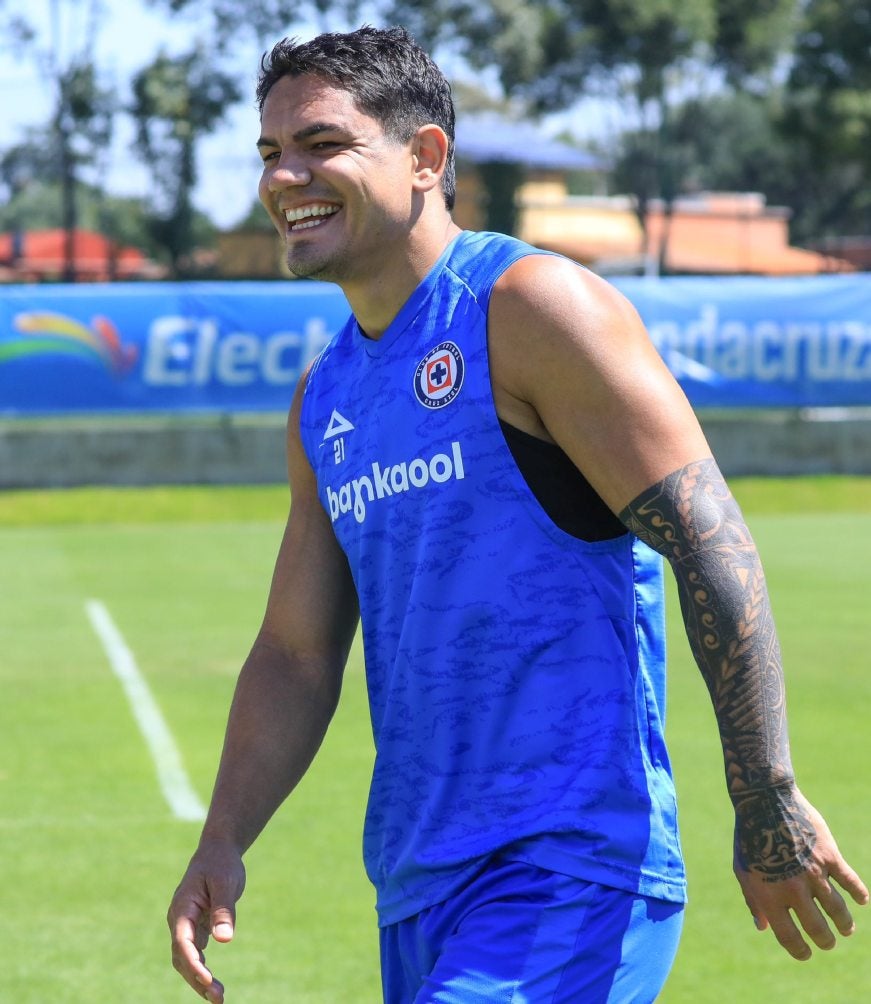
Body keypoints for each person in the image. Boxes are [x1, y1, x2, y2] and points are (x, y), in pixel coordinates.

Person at [168, 25, 868, 1004]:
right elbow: (295, 650)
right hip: (416, 883)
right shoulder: (323, 398)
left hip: (570, 870)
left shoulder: (529, 308)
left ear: (424, 158)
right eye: (270, 152)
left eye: (322, 144)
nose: (286, 175)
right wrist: (222, 839)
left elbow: (711, 545)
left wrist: (766, 797)